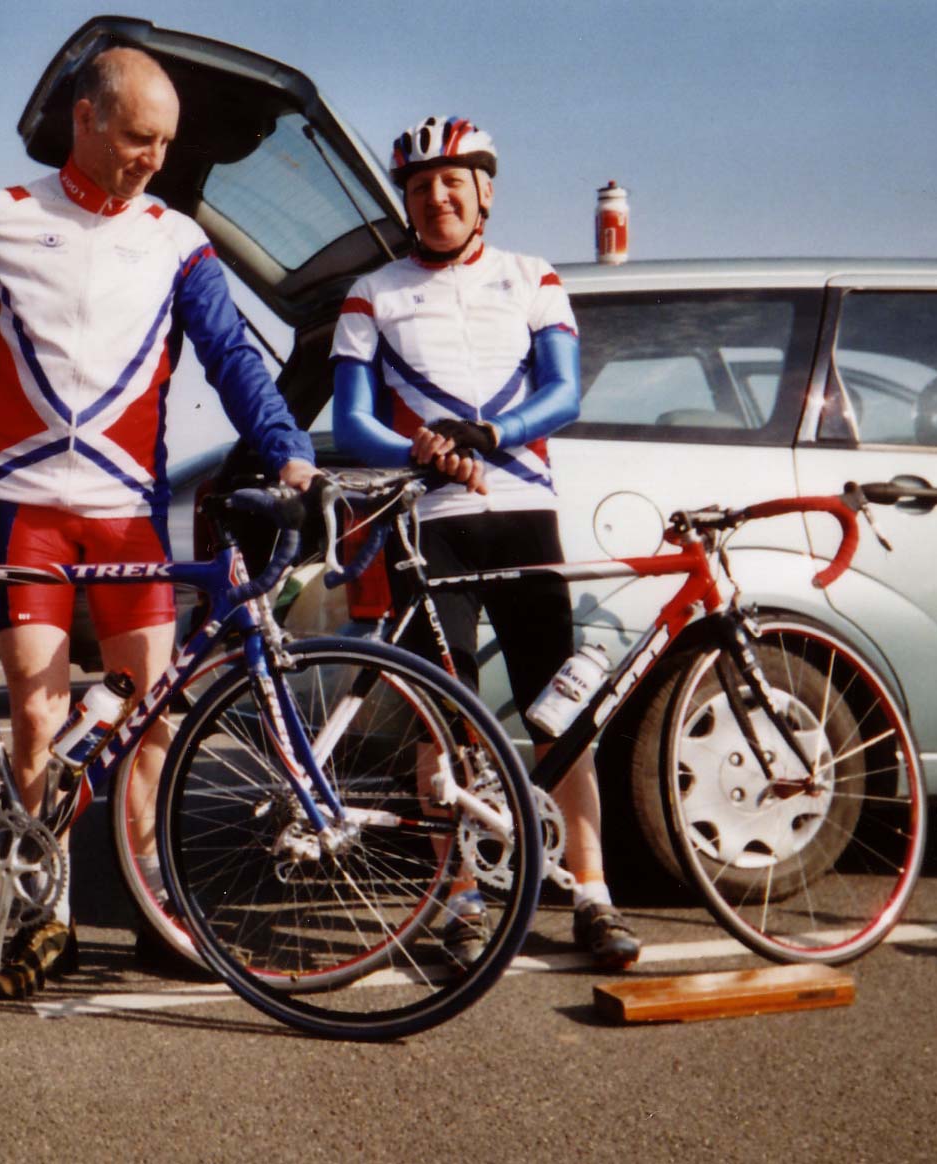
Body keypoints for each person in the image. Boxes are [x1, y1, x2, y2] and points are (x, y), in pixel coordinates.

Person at [0, 45, 316, 985]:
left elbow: (231, 355)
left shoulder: (176, 238)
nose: (153, 160)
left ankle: (154, 907)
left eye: (165, 143)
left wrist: (287, 446)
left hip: (129, 511)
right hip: (27, 510)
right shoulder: (0, 217)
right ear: (86, 118)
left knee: (151, 719)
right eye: (139, 138)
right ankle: (37, 915)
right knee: (38, 717)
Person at [330, 115, 642, 969]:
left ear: (485, 192)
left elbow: (564, 394)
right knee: (443, 721)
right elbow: (352, 422)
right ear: (405, 200)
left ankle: (592, 894)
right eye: (420, 186)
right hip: (431, 525)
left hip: (522, 512)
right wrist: (419, 453)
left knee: (559, 714)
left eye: (452, 182)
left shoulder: (532, 276)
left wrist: (490, 435)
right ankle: (457, 896)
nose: (437, 197)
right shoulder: (372, 292)